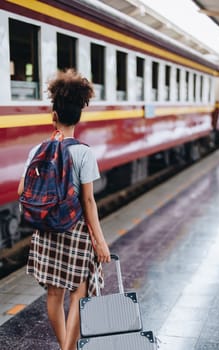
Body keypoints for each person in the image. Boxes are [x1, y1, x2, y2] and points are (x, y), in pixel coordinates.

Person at [17, 69, 111, 350]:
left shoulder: (37, 150)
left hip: (46, 231)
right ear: (79, 118)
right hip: (75, 231)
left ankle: (63, 346)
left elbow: (22, 191)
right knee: (79, 294)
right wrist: (100, 241)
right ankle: (70, 348)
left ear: (53, 116)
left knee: (53, 295)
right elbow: (88, 201)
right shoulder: (83, 152)